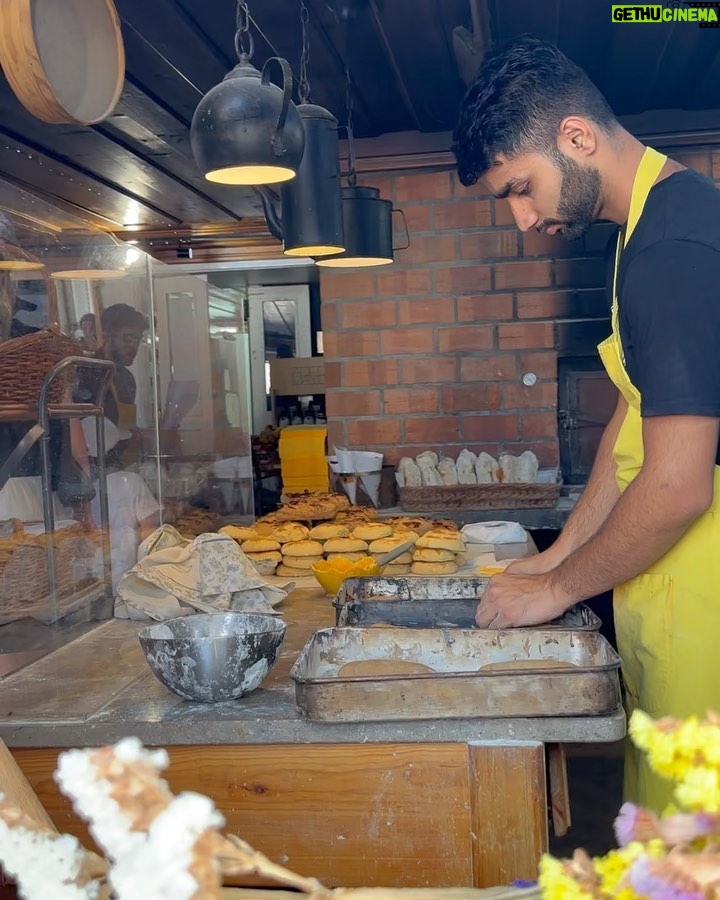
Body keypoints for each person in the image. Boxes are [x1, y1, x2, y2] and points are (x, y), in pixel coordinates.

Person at [452, 34, 720, 812]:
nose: (523, 220)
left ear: (576, 137)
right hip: (672, 610)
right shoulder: (651, 225)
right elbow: (634, 426)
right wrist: (561, 553)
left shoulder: (673, 250)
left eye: (520, 188)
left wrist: (558, 588)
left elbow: (674, 488)